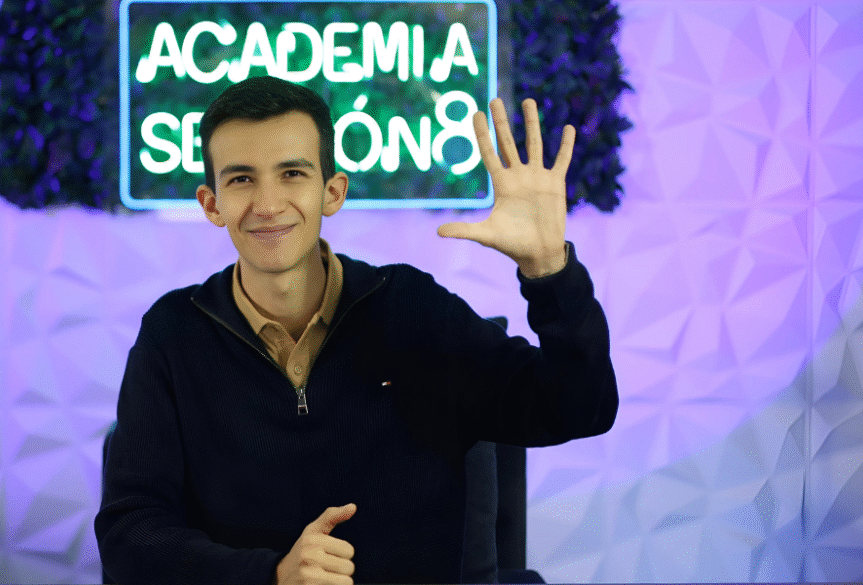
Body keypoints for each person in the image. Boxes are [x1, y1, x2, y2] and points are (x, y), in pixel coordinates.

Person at [95, 75, 618, 585]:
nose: (268, 203)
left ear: (333, 192)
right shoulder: (173, 334)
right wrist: (271, 575)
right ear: (212, 204)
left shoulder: (412, 307)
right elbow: (129, 533)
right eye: (241, 179)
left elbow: (579, 407)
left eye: (292, 174)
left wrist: (550, 271)